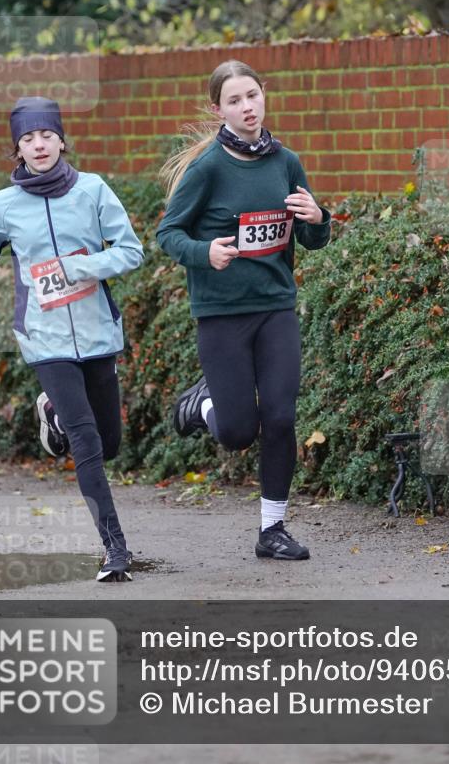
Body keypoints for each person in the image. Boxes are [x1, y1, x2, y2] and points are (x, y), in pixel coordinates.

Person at [156, 60, 331, 560]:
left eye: (252, 95)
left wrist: (319, 217)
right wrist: (204, 252)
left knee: (280, 417)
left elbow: (312, 238)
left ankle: (272, 530)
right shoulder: (209, 168)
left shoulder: (287, 162)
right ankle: (200, 405)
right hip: (222, 313)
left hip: (276, 308)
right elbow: (168, 233)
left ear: (263, 95)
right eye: (235, 101)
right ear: (219, 110)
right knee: (236, 433)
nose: (247, 107)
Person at [0, 96, 144, 582]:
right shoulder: (4, 205)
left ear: (62, 141)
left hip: (97, 331)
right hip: (44, 339)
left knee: (108, 443)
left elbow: (131, 251)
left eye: (47, 135)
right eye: (27, 138)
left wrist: (83, 267)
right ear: (18, 149)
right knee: (85, 441)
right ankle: (115, 548)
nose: (38, 144)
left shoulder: (93, 190)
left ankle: (53, 412)